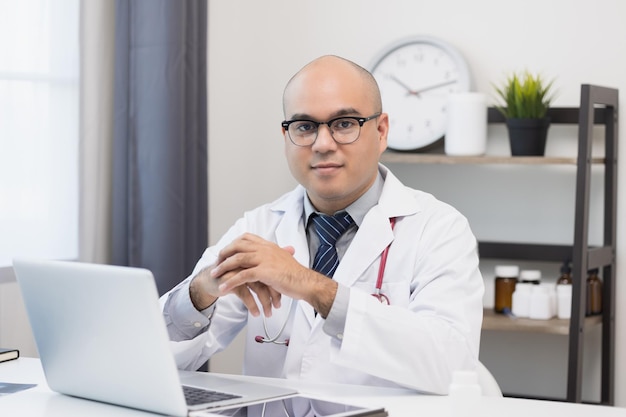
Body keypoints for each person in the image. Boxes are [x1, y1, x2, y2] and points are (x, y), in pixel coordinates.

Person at [161, 55, 484, 395]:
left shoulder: (439, 228)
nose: (323, 144)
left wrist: (313, 287)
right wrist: (200, 293)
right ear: (286, 136)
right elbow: (160, 358)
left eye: (344, 123)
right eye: (305, 127)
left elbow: (453, 367)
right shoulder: (258, 227)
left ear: (381, 130)